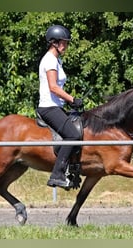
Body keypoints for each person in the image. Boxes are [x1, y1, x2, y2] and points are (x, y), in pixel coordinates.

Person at [37, 24, 83, 189]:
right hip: (49, 107)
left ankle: (73, 170)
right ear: (54, 42)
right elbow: (53, 87)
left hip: (56, 106)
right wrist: (72, 99)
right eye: (64, 42)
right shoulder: (49, 60)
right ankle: (57, 174)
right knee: (73, 136)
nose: (66, 46)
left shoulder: (57, 60)